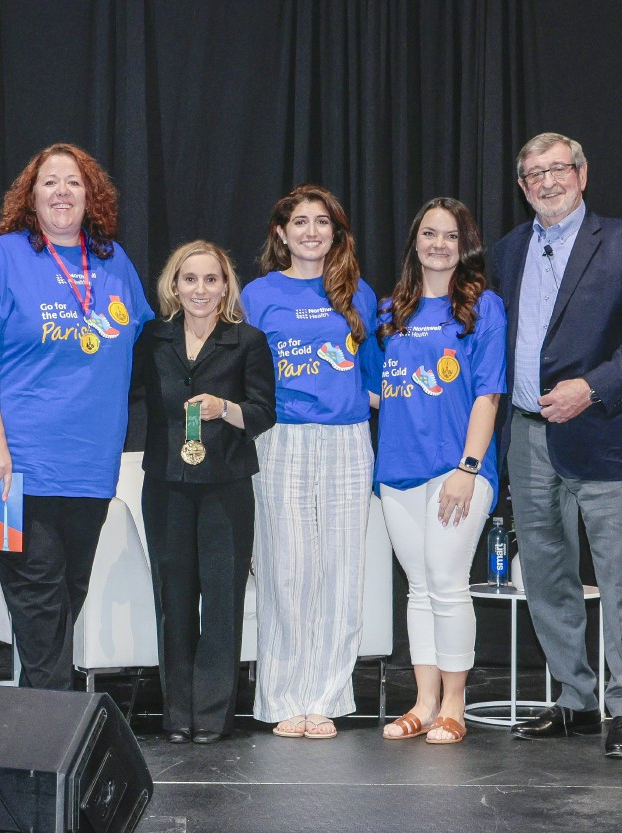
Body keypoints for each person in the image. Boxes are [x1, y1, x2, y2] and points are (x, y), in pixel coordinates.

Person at [0, 142, 154, 690]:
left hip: (90, 463)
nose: (62, 191)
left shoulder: (114, 261)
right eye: (50, 182)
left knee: (68, 592)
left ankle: (42, 721)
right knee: (35, 599)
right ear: (30, 197)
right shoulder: (2, 256)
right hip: (10, 467)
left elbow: (144, 344)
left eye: (74, 182)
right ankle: (49, 732)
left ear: (91, 197)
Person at [493, 133, 622, 758]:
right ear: (522, 187)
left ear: (582, 175)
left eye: (558, 169)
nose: (547, 181)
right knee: (546, 577)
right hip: (527, 436)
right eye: (533, 174)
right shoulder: (509, 250)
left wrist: (591, 389)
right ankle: (574, 697)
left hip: (603, 433)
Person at [365, 198, 506, 745]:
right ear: (415, 242)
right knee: (419, 589)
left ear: (465, 245)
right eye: (429, 233)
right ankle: (424, 702)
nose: (439, 244)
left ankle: (454, 704)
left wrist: (468, 467)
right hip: (397, 470)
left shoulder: (482, 307)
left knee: (447, 583)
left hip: (459, 470)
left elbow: (488, 395)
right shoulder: (387, 312)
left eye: (451, 236)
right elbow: (379, 391)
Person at [240, 184, 376, 739]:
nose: (312, 231)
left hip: (346, 440)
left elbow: (372, 378)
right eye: (301, 222)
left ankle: (325, 698)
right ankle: (281, 698)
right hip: (281, 440)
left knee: (339, 572)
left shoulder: (357, 293)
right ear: (281, 232)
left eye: (323, 222)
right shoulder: (256, 294)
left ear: (336, 234)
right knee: (286, 570)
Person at [131, 241, 275, 744]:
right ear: (174, 285)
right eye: (189, 279)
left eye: (210, 279)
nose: (200, 289)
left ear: (225, 286)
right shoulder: (151, 339)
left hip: (227, 488)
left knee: (222, 601)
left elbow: (263, 412)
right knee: (172, 599)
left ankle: (213, 716)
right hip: (166, 485)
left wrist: (224, 408)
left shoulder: (248, 341)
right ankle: (178, 714)